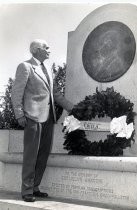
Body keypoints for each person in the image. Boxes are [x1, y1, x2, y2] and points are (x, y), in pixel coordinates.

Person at [11, 39, 73, 202]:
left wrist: (73, 108)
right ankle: (26, 191)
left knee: (43, 155)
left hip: (48, 118)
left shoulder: (47, 68)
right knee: (31, 155)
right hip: (32, 116)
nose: (49, 50)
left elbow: (56, 94)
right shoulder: (25, 66)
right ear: (37, 50)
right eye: (46, 47)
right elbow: (16, 92)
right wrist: (19, 114)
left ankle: (35, 187)